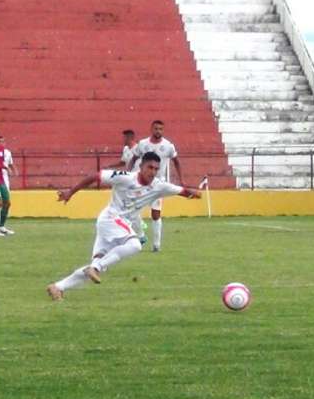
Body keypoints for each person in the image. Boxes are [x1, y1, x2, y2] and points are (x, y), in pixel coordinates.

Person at [46, 152, 200, 301]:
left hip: (113, 225)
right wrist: (71, 192)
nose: (153, 172)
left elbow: (182, 191)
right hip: (111, 218)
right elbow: (96, 176)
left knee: (98, 264)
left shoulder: (158, 186)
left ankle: (58, 287)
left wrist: (195, 194)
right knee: (135, 245)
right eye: (150, 167)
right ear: (141, 166)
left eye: (156, 169)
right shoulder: (125, 177)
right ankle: (96, 267)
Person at [126, 120, 182, 252]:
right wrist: (128, 174)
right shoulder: (143, 144)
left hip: (158, 184)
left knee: (155, 214)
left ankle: (156, 245)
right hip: (142, 183)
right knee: (132, 210)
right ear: (152, 129)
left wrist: (181, 179)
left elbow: (176, 162)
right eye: (156, 128)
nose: (158, 131)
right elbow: (134, 158)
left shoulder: (168, 146)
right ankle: (141, 236)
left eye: (160, 129)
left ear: (163, 130)